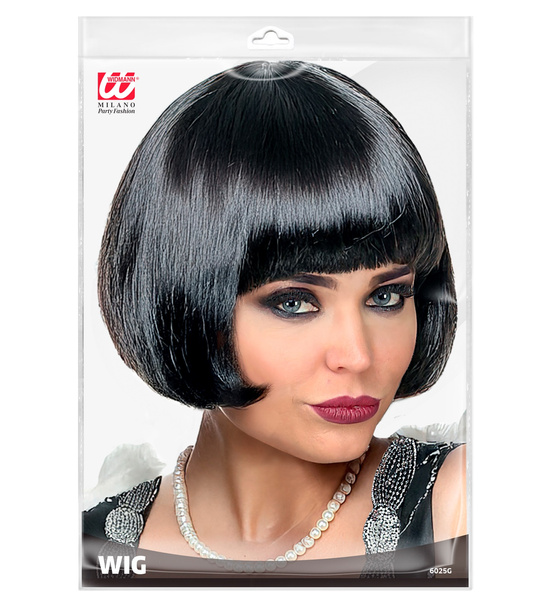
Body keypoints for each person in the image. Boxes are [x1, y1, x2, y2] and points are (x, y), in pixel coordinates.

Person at [83, 60, 466, 573]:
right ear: (190, 303)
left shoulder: (462, 505)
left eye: (386, 297)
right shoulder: (83, 553)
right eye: (294, 302)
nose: (357, 355)